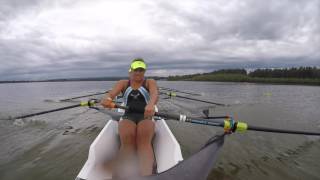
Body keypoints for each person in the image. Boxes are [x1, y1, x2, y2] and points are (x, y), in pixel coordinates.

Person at [101, 58, 158, 176]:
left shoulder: (149, 82)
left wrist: (151, 104)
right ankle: (120, 176)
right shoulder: (123, 83)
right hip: (128, 115)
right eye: (135, 70)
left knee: (143, 142)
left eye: (141, 70)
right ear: (130, 71)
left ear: (144, 71)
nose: (138, 72)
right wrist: (107, 99)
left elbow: (154, 94)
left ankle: (146, 176)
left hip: (145, 115)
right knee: (127, 141)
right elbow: (111, 94)